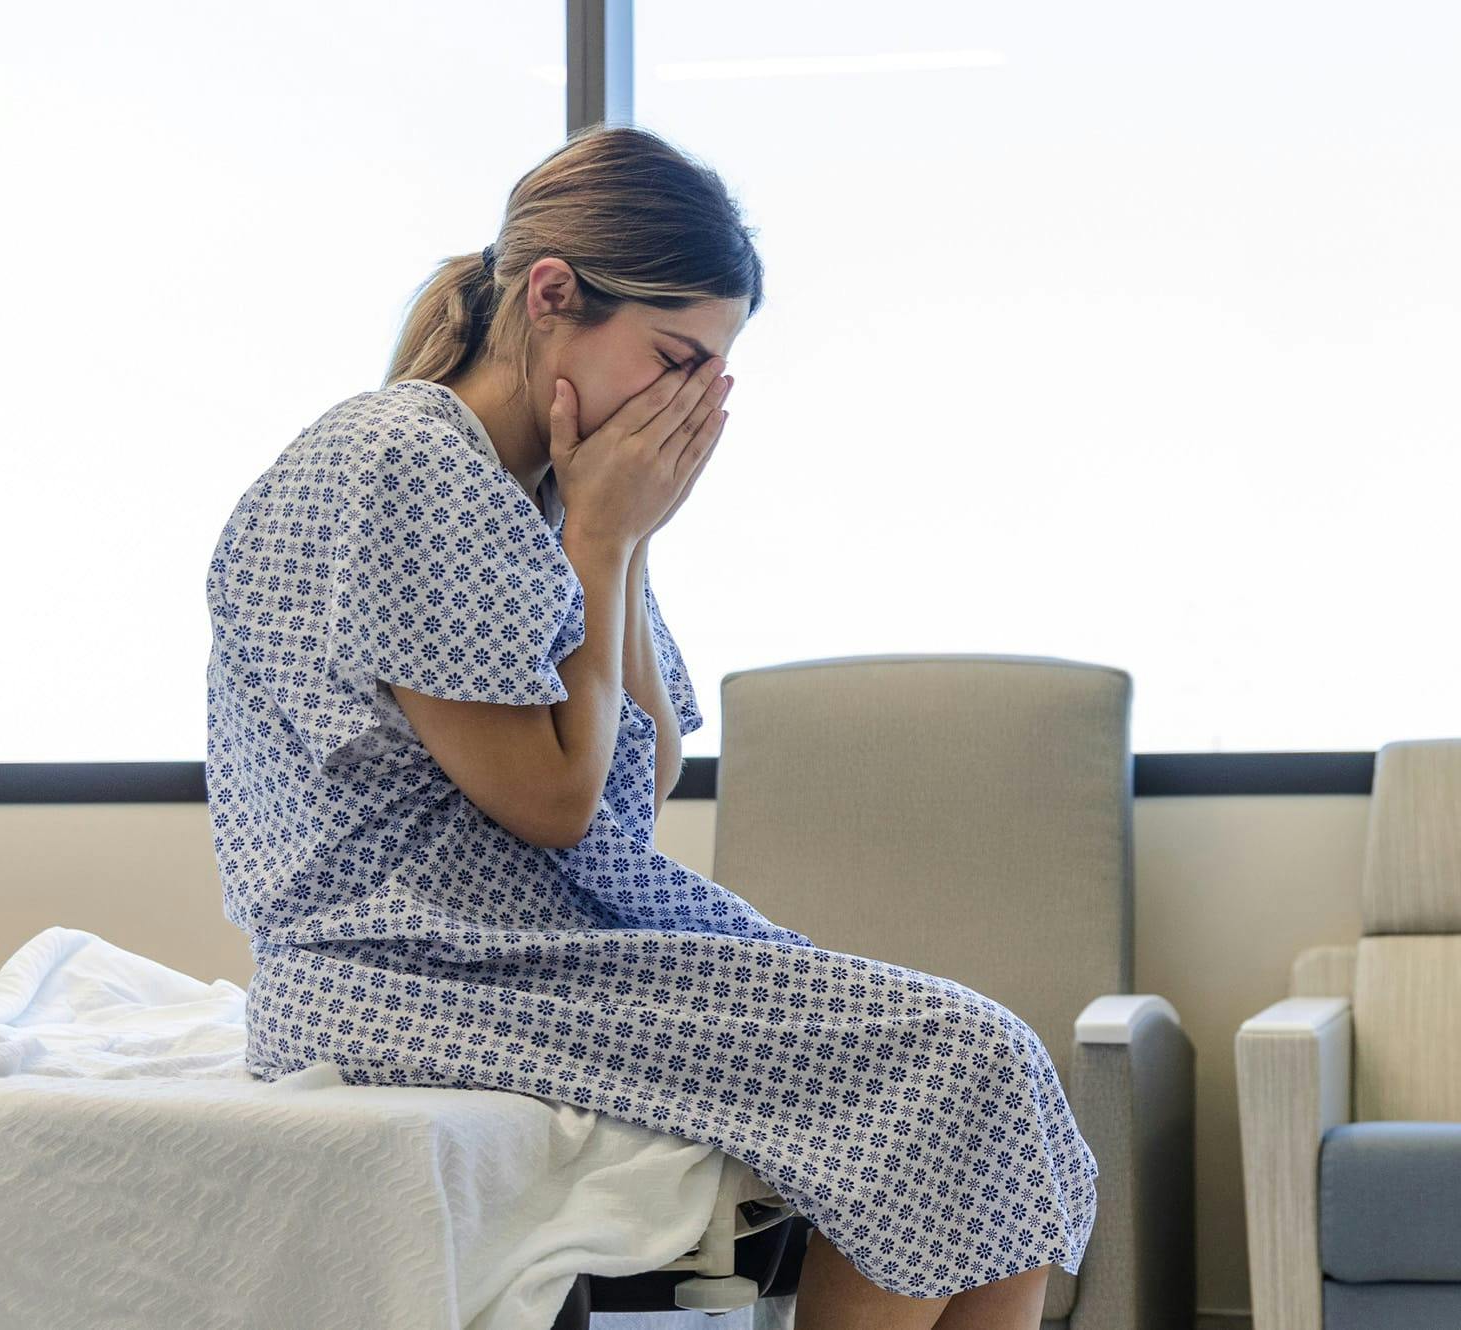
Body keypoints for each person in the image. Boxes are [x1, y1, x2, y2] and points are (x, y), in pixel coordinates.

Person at [203, 123, 1097, 1327]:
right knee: (953, 1061)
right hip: (413, 965)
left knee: (989, 1078)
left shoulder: (541, 489)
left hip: (518, 947)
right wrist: (602, 538)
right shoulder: (403, 459)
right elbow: (554, 804)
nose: (690, 403)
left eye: (713, 373)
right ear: (552, 297)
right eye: (675, 359)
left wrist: (618, 537)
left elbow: (644, 768)